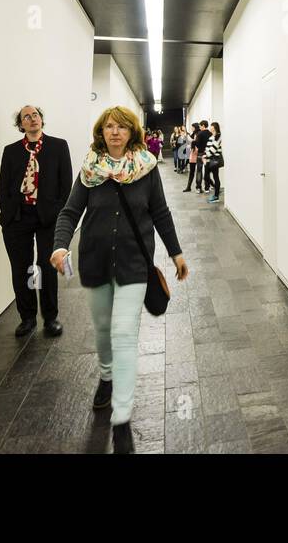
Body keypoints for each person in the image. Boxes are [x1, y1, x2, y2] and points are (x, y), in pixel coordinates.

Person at [50, 106, 189, 455]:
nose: (115, 132)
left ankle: (122, 419)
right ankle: (107, 376)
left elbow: (159, 212)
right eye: (109, 127)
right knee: (101, 329)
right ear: (101, 132)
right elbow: (69, 212)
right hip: (95, 263)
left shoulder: (146, 168)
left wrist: (176, 252)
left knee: (124, 332)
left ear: (131, 133)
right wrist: (59, 246)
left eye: (122, 127)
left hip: (133, 264)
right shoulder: (89, 170)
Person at [0, 105, 72, 338]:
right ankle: (27, 317)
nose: (32, 119)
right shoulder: (10, 151)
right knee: (24, 269)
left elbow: (65, 184)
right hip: (18, 218)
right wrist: (7, 213)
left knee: (46, 267)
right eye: (26, 117)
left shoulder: (58, 146)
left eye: (35, 115)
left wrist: (58, 213)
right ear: (21, 125)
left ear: (42, 120)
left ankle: (50, 318)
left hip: (48, 218)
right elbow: (3, 186)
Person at [184, 120, 211, 193]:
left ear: (203, 126)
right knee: (207, 171)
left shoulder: (200, 134)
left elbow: (197, 145)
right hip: (208, 154)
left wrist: (194, 143)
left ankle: (198, 188)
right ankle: (207, 188)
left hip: (200, 153)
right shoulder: (210, 133)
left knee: (199, 171)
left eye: (200, 126)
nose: (199, 127)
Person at [203, 121, 223, 203]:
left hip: (214, 160)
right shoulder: (213, 136)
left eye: (211, 126)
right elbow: (208, 148)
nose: (210, 128)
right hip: (210, 159)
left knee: (215, 177)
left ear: (215, 128)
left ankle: (216, 196)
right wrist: (205, 155)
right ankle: (216, 192)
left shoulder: (217, 136)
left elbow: (213, 149)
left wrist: (205, 155)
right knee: (207, 177)